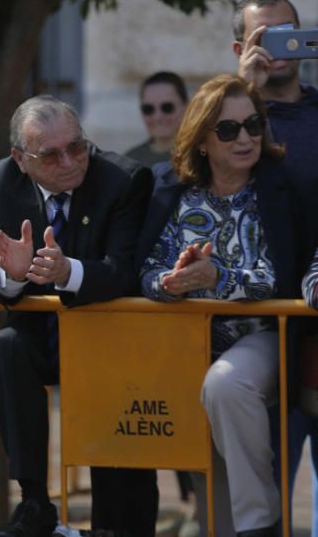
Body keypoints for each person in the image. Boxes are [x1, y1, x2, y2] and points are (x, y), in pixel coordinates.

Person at [137, 74, 311, 537]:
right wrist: (173, 282)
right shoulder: (171, 191)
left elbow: (281, 276)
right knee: (208, 479)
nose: (246, 138)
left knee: (226, 386)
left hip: (261, 336)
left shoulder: (279, 186)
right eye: (229, 129)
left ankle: (262, 524)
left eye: (253, 124)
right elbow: (147, 271)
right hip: (185, 343)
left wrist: (219, 277)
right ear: (202, 140)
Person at [0, 95, 156, 537]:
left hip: (110, 338)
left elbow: (123, 270)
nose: (71, 161)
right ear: (20, 159)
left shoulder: (123, 180)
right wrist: (11, 273)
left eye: (77, 146)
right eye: (51, 154)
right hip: (43, 336)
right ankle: (34, 498)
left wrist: (66, 272)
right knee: (4, 347)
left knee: (120, 506)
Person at [233, 0, 318, 535]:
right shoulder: (228, 119)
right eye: (266, 37)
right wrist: (246, 93)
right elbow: (201, 185)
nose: (279, 47)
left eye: (289, 32)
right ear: (241, 47)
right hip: (261, 327)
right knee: (264, 498)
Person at [124, 71, 188, 167]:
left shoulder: (201, 156)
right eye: (148, 109)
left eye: (167, 108)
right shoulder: (129, 162)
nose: (157, 117)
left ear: (187, 107)